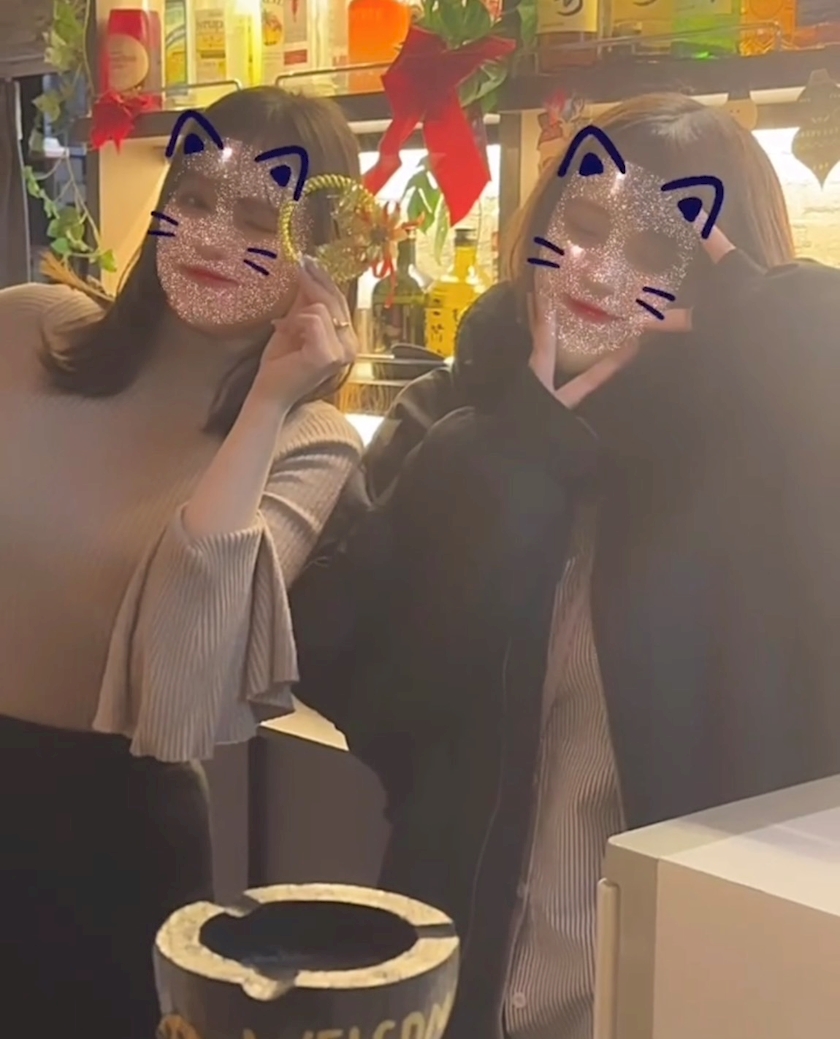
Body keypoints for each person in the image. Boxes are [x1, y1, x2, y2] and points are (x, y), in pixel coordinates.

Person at [290, 93, 840, 1039]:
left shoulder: (766, 468)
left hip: (695, 990)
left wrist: (782, 328)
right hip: (462, 978)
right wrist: (512, 460)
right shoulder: (459, 413)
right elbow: (355, 679)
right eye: (581, 226)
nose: (599, 267)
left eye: (656, 246)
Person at [0, 86, 363, 1039]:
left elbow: (183, 684)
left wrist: (268, 401)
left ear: (320, 255)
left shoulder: (308, 441)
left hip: (102, 851)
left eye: (259, 220)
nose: (210, 235)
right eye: (195, 198)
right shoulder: (27, 329)